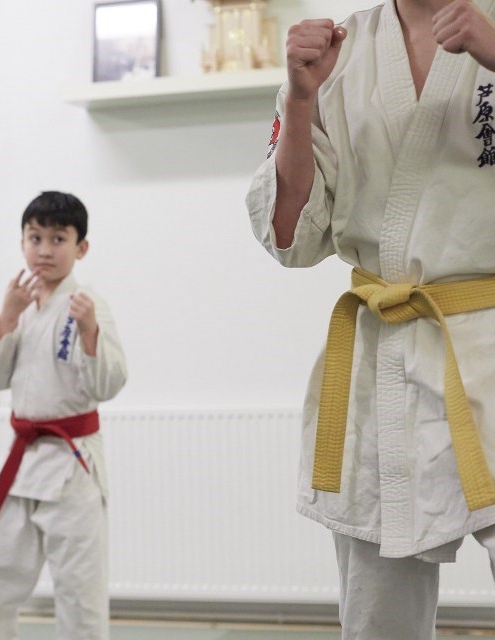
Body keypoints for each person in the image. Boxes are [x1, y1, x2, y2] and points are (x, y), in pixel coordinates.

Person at [247, 1, 495, 637]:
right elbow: (290, 237)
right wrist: (299, 99)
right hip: (383, 354)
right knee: (378, 612)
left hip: (490, 341)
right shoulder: (341, 48)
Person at [0, 191, 127, 640]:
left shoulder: (86, 303)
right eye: (35, 237)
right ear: (22, 242)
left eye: (58, 239)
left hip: (72, 463)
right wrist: (7, 317)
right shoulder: (20, 302)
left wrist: (89, 330)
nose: (44, 250)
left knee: (79, 589)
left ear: (81, 248)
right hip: (21, 461)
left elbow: (108, 385)